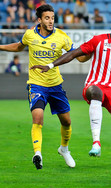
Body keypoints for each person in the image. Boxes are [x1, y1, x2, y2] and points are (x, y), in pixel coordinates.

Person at [30, 14, 111, 176]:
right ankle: (96, 142)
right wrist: (51, 64)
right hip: (94, 85)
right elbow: (74, 54)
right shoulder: (98, 41)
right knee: (95, 92)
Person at [0, 4, 88, 169]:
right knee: (38, 118)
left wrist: (90, 53)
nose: (51, 21)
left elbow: (79, 57)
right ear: (39, 19)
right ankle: (38, 154)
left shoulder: (61, 36)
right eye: (47, 18)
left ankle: (64, 149)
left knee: (67, 122)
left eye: (53, 18)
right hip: (36, 85)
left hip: (55, 85)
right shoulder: (30, 35)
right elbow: (19, 47)